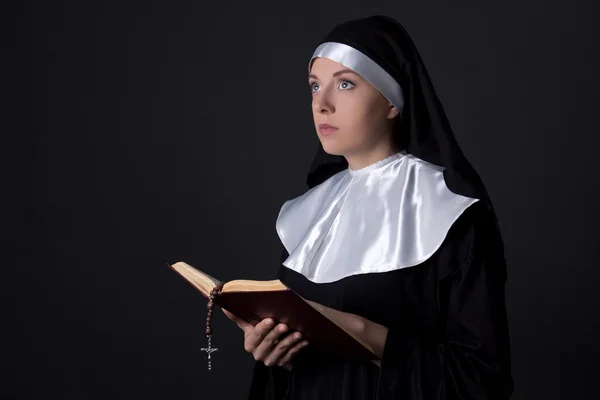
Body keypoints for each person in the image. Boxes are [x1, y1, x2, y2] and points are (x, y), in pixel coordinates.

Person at [223, 15, 514, 400]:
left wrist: (365, 334)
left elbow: (482, 381)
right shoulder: (306, 214)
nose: (321, 104)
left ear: (392, 101)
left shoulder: (453, 213)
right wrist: (278, 355)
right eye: (314, 86)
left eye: (345, 84)